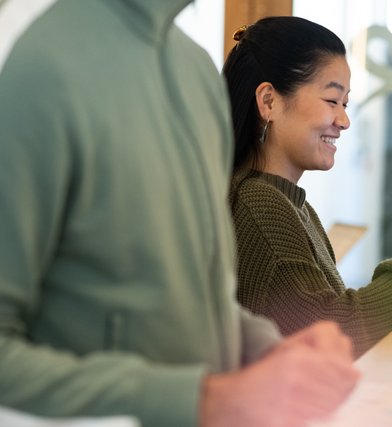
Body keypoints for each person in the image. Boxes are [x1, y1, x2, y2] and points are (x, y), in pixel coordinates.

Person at [0, 2, 359, 427]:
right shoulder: (26, 54)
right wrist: (204, 399)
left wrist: (273, 349)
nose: (344, 119)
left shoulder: (195, 70)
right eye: (332, 99)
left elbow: (200, 301)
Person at [223, 16, 392, 358]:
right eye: (331, 101)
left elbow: (329, 312)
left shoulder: (289, 204)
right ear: (268, 101)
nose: (344, 121)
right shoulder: (260, 204)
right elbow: (335, 332)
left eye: (346, 104)